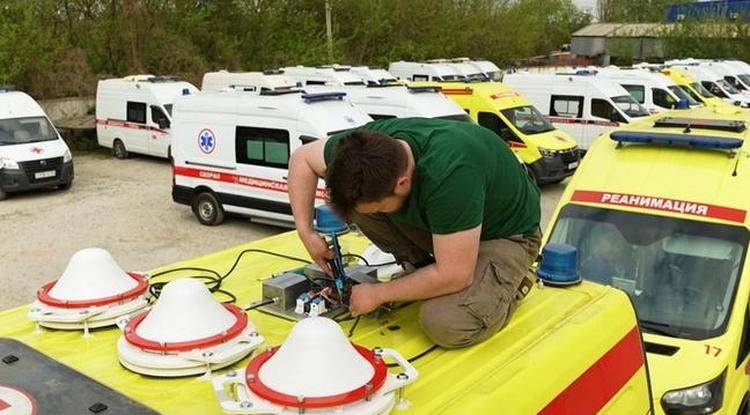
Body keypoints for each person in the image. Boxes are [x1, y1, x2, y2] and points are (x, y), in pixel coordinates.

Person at [288, 117, 541, 348]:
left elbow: (456, 275)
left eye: (380, 207)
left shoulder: (449, 175)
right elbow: (303, 158)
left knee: (446, 323)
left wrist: (378, 293)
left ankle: (511, 286)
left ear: (402, 182)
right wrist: (306, 233)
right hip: (451, 224)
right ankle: (422, 267)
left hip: (505, 234)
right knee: (358, 207)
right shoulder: (364, 148)